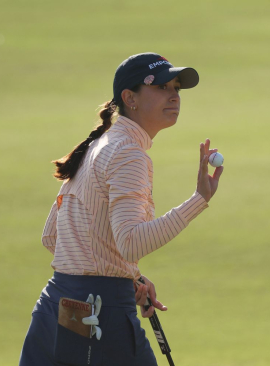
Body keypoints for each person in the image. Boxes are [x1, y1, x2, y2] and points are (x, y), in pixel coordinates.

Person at [19, 52, 224, 366]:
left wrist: (128, 278)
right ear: (131, 98)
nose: (174, 96)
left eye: (176, 88)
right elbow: (130, 243)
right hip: (99, 316)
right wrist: (199, 200)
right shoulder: (129, 154)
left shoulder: (96, 146)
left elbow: (52, 237)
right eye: (161, 88)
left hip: (53, 312)